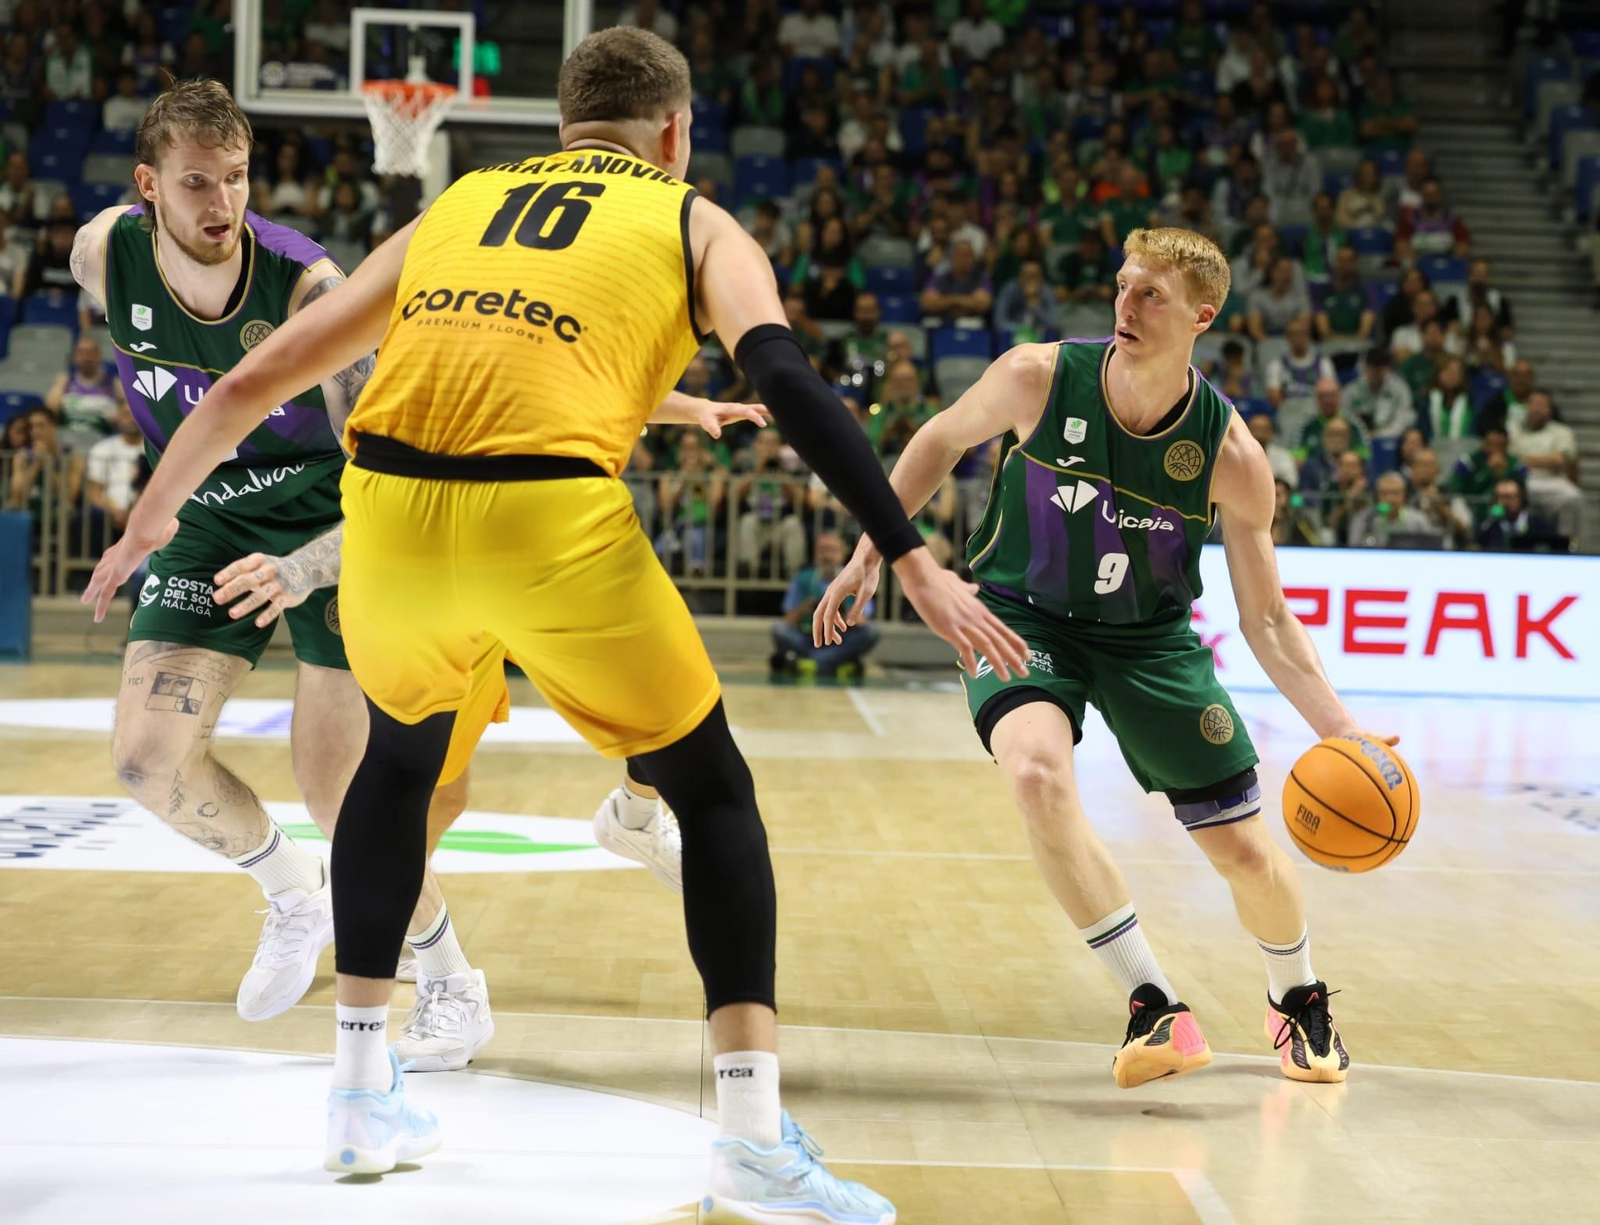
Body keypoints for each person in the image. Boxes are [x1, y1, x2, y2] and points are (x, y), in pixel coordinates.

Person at [86, 29, 1026, 1219]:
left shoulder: (465, 199)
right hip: (544, 519)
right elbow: (785, 376)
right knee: (715, 790)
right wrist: (909, 551)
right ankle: (747, 1130)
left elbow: (237, 391)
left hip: (390, 518)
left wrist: (141, 527)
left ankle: (359, 1097)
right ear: (675, 135)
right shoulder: (696, 222)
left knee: (397, 763)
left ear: (560, 125)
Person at [816, 228, 1391, 1095]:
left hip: (1149, 638)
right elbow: (937, 439)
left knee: (1243, 850)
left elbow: (1267, 620)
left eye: (1151, 295)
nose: (1126, 305)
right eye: (1123, 287)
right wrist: (873, 551)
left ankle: (1297, 995)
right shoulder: (1037, 377)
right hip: (1018, 613)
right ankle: (1153, 1003)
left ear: (1204, 315)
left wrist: (1346, 735)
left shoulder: (1231, 458)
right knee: (1038, 775)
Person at [65, 78, 508, 1066]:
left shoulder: (310, 291)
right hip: (212, 518)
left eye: (236, 179)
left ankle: (450, 984)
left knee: (342, 795)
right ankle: (290, 894)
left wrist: (309, 564)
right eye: (195, 183)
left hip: (344, 524)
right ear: (148, 187)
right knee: (144, 759)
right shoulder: (102, 253)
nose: (221, 205)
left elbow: (400, 470)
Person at [771, 532, 879, 678]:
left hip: (841, 638)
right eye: (822, 550)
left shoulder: (856, 578)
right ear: (815, 554)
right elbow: (788, 619)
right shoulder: (803, 578)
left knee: (871, 632)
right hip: (809, 635)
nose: (827, 556)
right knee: (779, 629)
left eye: (832, 550)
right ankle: (833, 662)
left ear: (842, 555)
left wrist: (843, 611)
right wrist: (806, 607)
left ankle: (811, 662)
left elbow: (863, 621)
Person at [1510, 389, 1582, 538]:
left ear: (1549, 410)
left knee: (1572, 496)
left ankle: (1566, 541)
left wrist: (1524, 458)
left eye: (1541, 405)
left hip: (1552, 481)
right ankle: (1509, 538)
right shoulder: (1513, 429)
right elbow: (1508, 458)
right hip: (1521, 480)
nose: (1536, 409)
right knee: (1505, 493)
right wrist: (1546, 459)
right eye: (1533, 404)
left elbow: (1560, 460)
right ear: (1525, 406)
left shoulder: (1562, 432)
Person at [45, 335, 127, 454]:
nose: (87, 356)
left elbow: (127, 415)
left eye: (91, 352)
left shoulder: (115, 385)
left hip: (101, 446)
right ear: (74, 357)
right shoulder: (64, 382)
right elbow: (50, 412)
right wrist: (60, 386)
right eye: (82, 352)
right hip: (67, 447)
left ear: (99, 356)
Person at [1340, 347, 1414, 441]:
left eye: (1380, 369)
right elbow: (1345, 416)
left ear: (1388, 368)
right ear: (1366, 367)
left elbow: (1402, 420)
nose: (1376, 374)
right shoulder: (1352, 391)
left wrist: (1379, 435)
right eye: (1373, 369)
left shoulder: (1400, 389)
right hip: (1357, 438)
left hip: (1390, 437)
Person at [1346, 470, 1435, 547]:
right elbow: (1354, 549)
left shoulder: (1418, 520)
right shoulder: (1363, 519)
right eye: (1384, 493)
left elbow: (1430, 548)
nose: (1390, 499)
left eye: (1395, 493)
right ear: (1377, 497)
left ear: (1405, 495)